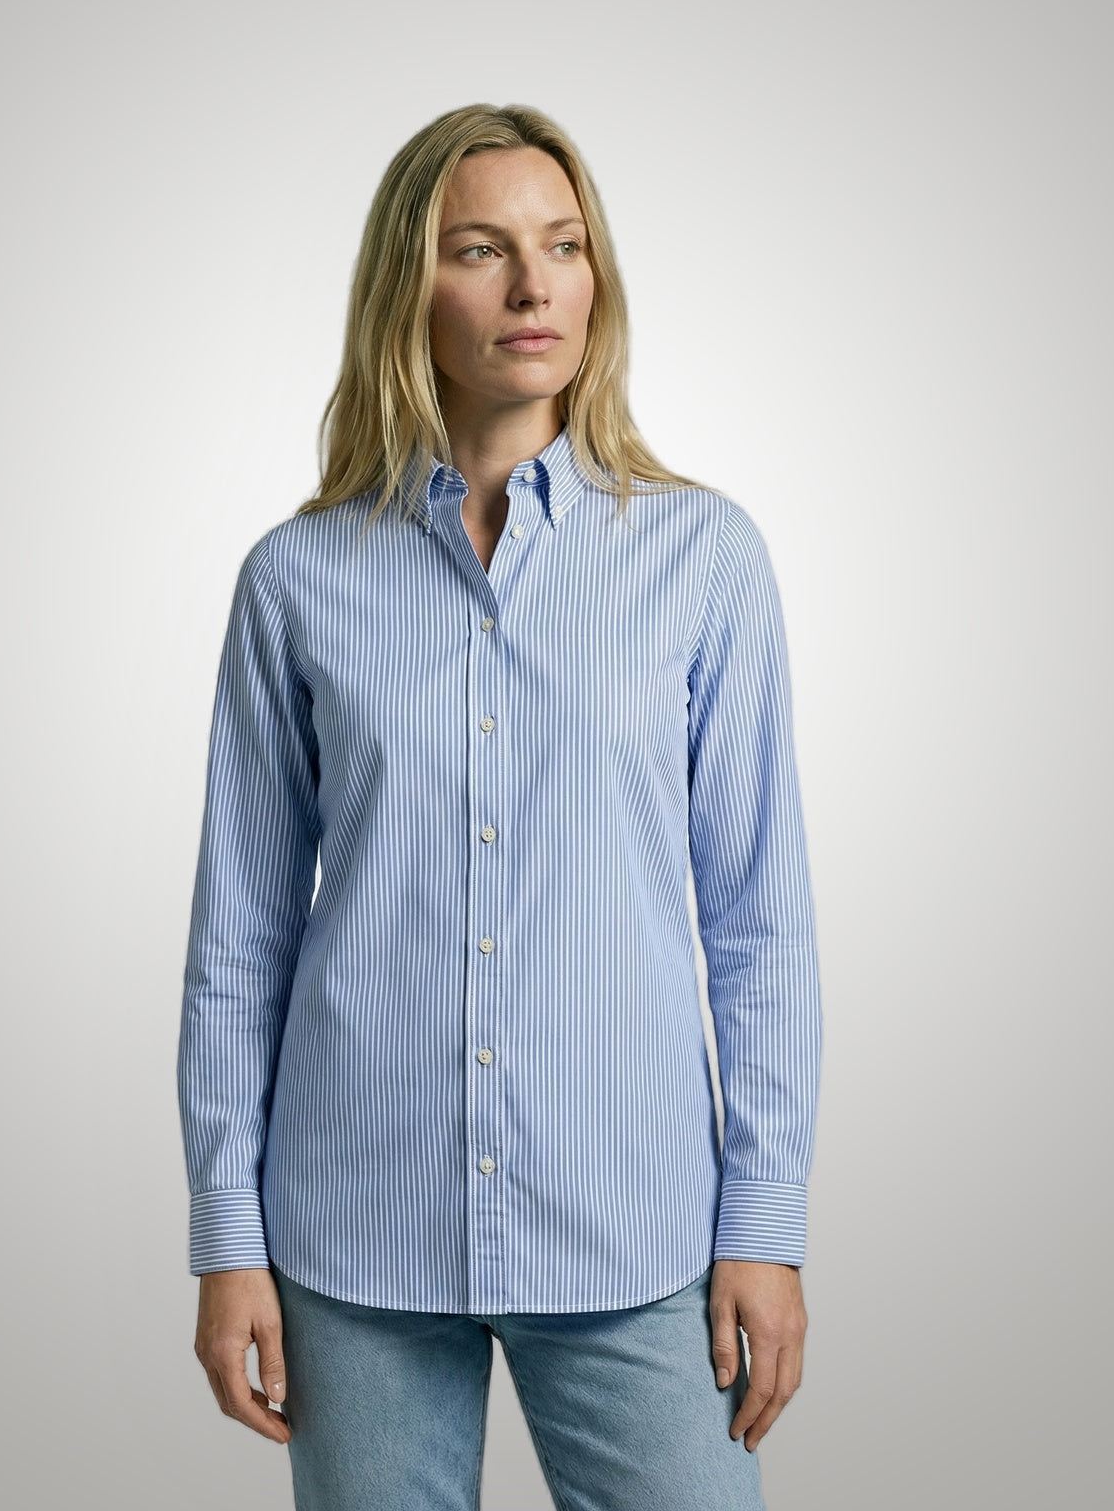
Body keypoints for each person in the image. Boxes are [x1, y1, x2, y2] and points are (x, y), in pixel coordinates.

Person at [178, 102, 822, 1511]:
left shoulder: (704, 560)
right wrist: (227, 1238)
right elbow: (242, 938)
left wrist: (765, 1225)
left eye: (564, 246)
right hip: (355, 1234)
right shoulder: (297, 580)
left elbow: (758, 927)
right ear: (407, 288)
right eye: (482, 249)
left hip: (634, 1228)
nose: (535, 286)